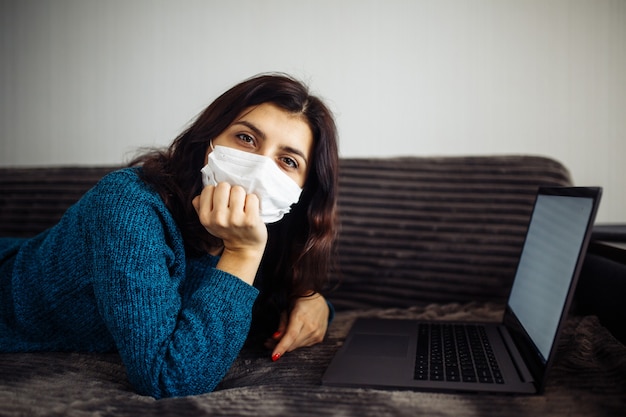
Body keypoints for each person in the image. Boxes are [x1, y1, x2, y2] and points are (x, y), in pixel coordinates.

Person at [0, 73, 339, 399]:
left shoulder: (270, 229)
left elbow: (264, 307)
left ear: (303, 193)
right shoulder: (127, 203)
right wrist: (242, 253)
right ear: (208, 140)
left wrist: (310, 299)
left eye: (287, 160)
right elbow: (168, 379)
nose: (259, 168)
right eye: (246, 138)